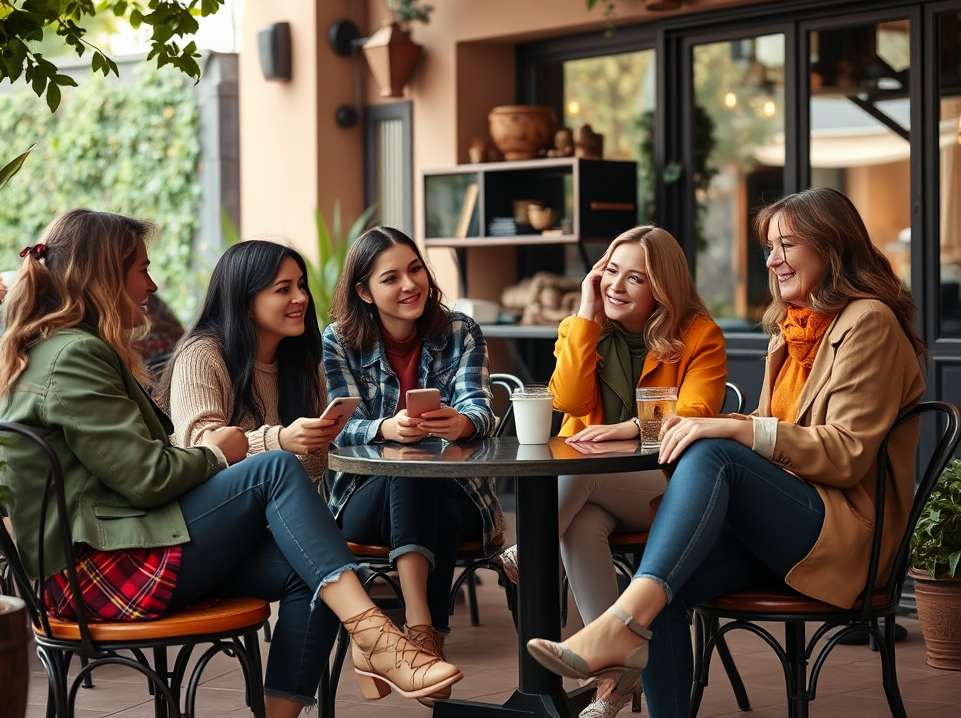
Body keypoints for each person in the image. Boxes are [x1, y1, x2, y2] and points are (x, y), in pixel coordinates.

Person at [0, 211, 462, 718]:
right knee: (274, 468)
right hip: (95, 572)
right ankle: (379, 639)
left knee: (319, 576)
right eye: (141, 270)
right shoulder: (75, 356)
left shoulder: (71, 349)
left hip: (123, 547)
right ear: (104, 276)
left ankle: (335, 671)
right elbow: (148, 478)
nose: (152, 285)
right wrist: (221, 452)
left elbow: (136, 470)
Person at [524, 188, 926, 718]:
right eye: (769, 247)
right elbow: (774, 423)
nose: (772, 259)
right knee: (661, 588)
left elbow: (846, 455)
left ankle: (618, 623)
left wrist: (731, 431)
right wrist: (734, 425)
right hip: (788, 524)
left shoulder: (868, 321)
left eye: (787, 244)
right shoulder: (793, 329)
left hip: (844, 535)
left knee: (714, 453)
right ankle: (629, 624)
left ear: (831, 247)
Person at [496, 226, 727, 718]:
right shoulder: (581, 328)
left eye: (635, 278)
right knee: (580, 522)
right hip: (589, 499)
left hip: (670, 494)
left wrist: (624, 428)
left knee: (583, 474)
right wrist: (585, 315)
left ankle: (534, 552)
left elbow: (696, 413)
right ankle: (614, 679)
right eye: (610, 271)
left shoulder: (698, 335)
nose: (615, 286)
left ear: (663, 288)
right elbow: (570, 401)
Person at [323, 225, 505, 698]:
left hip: (459, 497)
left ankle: (415, 645)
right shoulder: (337, 340)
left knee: (425, 478)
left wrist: (461, 425)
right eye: (391, 278)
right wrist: (384, 428)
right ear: (363, 291)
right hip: (363, 502)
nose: (409, 284)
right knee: (410, 462)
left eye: (415, 268)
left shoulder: (460, 330)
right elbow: (334, 425)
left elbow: (481, 408)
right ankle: (425, 631)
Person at [159, 240, 340, 483]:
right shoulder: (201, 355)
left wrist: (316, 441)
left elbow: (315, 470)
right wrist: (281, 440)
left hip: (286, 506)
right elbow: (201, 451)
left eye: (302, 286)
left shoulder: (302, 361)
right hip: (215, 508)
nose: (301, 298)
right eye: (284, 289)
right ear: (246, 304)